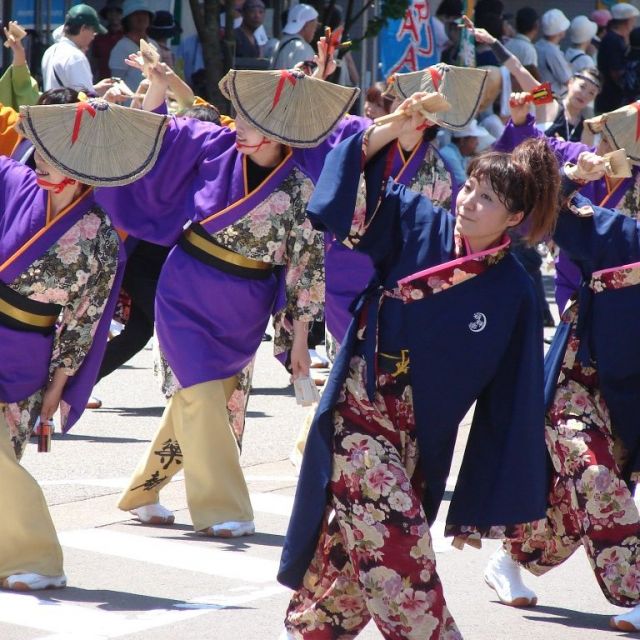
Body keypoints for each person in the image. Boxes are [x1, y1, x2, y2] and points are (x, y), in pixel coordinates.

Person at [277, 91, 557, 639]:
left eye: (487, 199)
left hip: (421, 436)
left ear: (516, 217)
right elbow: (344, 206)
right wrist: (388, 130)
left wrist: (483, 503)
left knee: (364, 537)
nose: (469, 201)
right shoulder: (414, 218)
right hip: (359, 409)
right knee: (399, 543)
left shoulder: (514, 293)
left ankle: (312, 627)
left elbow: (510, 404)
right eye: (470, 187)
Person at [91, 48, 365, 537]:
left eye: (250, 119)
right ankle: (222, 507)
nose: (237, 125)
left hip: (246, 305)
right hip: (186, 287)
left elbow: (305, 264)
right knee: (198, 393)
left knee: (204, 402)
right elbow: (155, 141)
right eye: (238, 115)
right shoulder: (212, 144)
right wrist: (156, 88)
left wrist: (300, 339)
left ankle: (144, 489)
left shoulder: (302, 187)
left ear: (280, 130)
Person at [0, 98, 169, 591]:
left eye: (54, 157)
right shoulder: (15, 185)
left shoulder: (98, 238)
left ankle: (40, 558)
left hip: (28, 351)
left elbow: (83, 323)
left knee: (4, 458)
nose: (42, 160)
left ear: (82, 170)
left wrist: (57, 389)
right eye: (43, 151)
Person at [484, 109, 640, 633]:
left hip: (633, 389)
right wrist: (578, 173)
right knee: (595, 477)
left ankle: (508, 560)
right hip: (582, 376)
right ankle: (638, 591)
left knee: (575, 498)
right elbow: (535, 198)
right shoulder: (614, 229)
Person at [41, 4, 114, 94]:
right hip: (69, 108)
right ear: (83, 28)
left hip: (52, 107)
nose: (93, 37)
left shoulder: (50, 51)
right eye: (93, 31)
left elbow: (68, 92)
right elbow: (85, 101)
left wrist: (94, 89)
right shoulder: (76, 56)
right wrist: (108, 97)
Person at [596, 2, 640, 114]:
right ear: (627, 21)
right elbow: (616, 73)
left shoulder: (613, 38)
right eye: (633, 20)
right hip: (612, 101)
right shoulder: (613, 41)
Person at [108, 0, 157, 92]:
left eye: (144, 13)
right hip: (130, 104)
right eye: (136, 14)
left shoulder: (154, 44)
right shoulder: (120, 48)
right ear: (127, 20)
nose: (141, 17)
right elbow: (116, 83)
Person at [439, 118, 492, 185]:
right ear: (462, 141)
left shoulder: (461, 155)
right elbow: (464, 184)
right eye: (474, 139)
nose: (477, 143)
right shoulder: (449, 155)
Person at [535, 9, 572, 99]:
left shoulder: (537, 45)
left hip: (540, 96)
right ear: (560, 31)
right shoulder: (552, 52)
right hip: (554, 100)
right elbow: (567, 80)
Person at [270, 4, 318, 69]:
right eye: (315, 26)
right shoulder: (304, 49)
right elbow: (309, 78)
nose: (315, 30)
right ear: (306, 25)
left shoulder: (278, 44)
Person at [505, 6, 540, 82]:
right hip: (522, 92)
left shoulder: (507, 44)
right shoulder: (528, 50)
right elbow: (531, 80)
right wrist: (543, 94)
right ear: (536, 25)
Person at [91, 0, 123, 81]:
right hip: (104, 81)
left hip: (126, 83)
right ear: (106, 15)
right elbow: (94, 62)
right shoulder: (99, 37)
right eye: (110, 12)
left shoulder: (129, 36)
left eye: (118, 12)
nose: (114, 15)